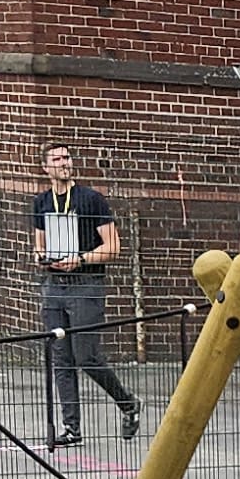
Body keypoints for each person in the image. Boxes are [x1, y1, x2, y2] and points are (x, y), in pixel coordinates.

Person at [27, 144, 142, 451]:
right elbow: (38, 245)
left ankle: (128, 403)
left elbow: (113, 247)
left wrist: (80, 258)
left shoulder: (91, 199)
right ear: (45, 168)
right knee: (61, 357)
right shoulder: (41, 203)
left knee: (86, 356)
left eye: (67, 158)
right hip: (54, 284)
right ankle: (71, 428)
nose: (64, 163)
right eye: (57, 159)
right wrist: (42, 258)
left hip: (86, 282)